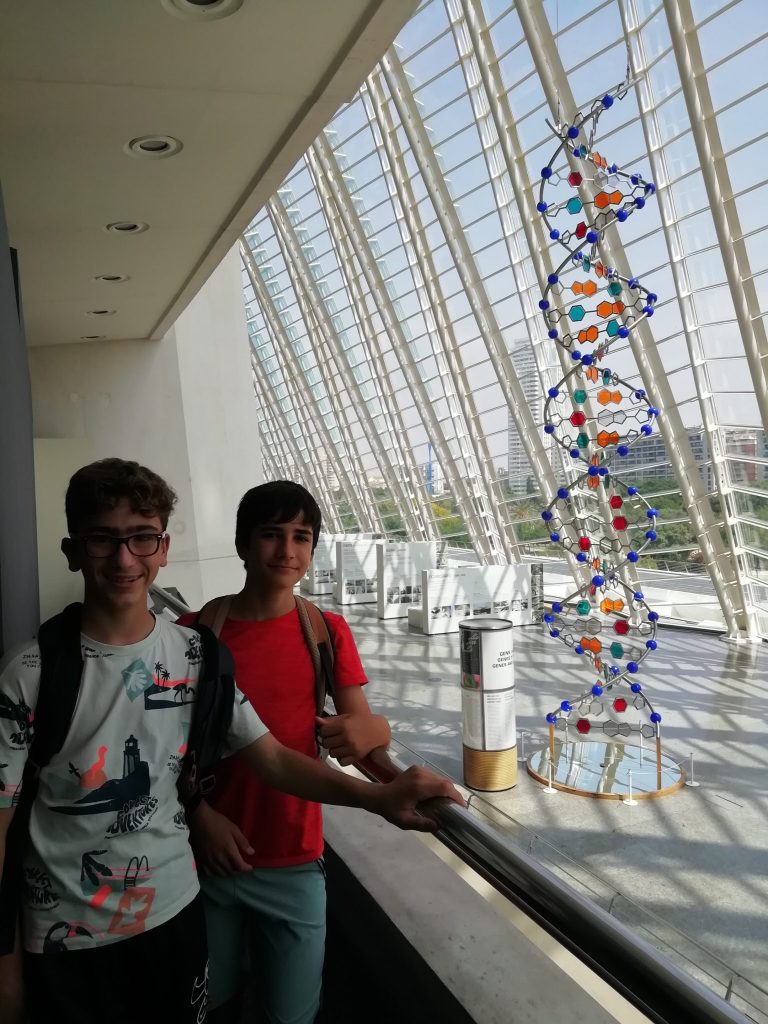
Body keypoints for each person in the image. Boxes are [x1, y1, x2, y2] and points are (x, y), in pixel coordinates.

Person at [0, 460, 462, 1024]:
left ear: (163, 549)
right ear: (74, 550)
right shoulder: (31, 674)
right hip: (73, 933)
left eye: (142, 538)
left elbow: (271, 757)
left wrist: (380, 791)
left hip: (179, 908)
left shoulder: (199, 656)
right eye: (103, 539)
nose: (124, 559)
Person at [177, 481, 393, 1023]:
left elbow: (359, 726)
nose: (287, 550)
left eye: (301, 537)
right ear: (243, 544)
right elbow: (167, 749)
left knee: (291, 1013)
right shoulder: (195, 634)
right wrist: (199, 814)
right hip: (207, 855)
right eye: (271, 535)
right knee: (210, 1004)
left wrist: (379, 727)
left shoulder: (324, 632)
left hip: (294, 854)